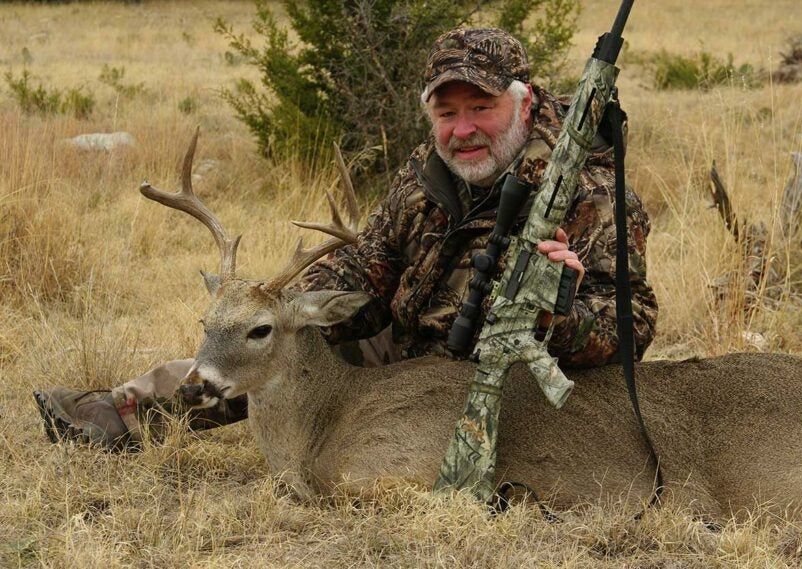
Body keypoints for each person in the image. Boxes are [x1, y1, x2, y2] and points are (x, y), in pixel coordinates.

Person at [33, 27, 658, 451]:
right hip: (409, 350)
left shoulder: (592, 193)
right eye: (446, 113)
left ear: (523, 107)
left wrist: (560, 309)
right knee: (278, 348)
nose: (463, 129)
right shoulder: (426, 175)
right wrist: (290, 305)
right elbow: (369, 262)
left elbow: (632, 327)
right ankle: (126, 412)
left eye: (481, 108)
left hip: (519, 378)